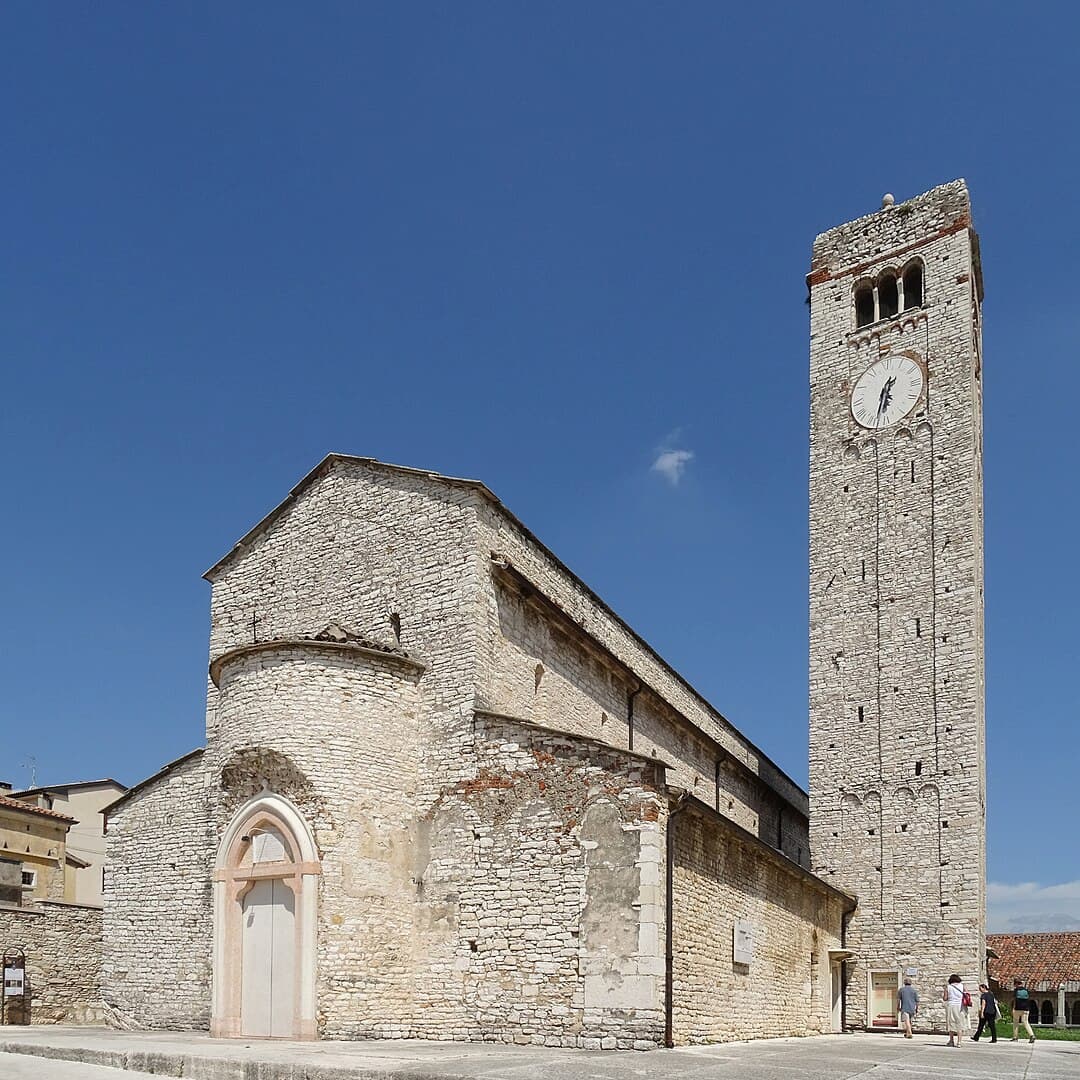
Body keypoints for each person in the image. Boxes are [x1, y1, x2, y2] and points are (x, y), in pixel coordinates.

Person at [943, 974, 966, 1046]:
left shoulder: (948, 987)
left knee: (951, 1023)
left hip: (951, 1006)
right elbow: (965, 995)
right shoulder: (962, 986)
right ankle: (959, 1042)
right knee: (960, 1023)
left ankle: (951, 1040)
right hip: (960, 1006)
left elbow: (945, 998)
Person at [1011, 977, 1035, 1043]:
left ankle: (1015, 1037)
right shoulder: (1026, 990)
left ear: (1016, 984)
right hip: (1026, 1009)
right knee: (1026, 1022)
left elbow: (1015, 1000)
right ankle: (1032, 1035)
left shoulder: (1016, 990)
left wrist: (1013, 1008)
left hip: (1017, 1009)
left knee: (1015, 1023)